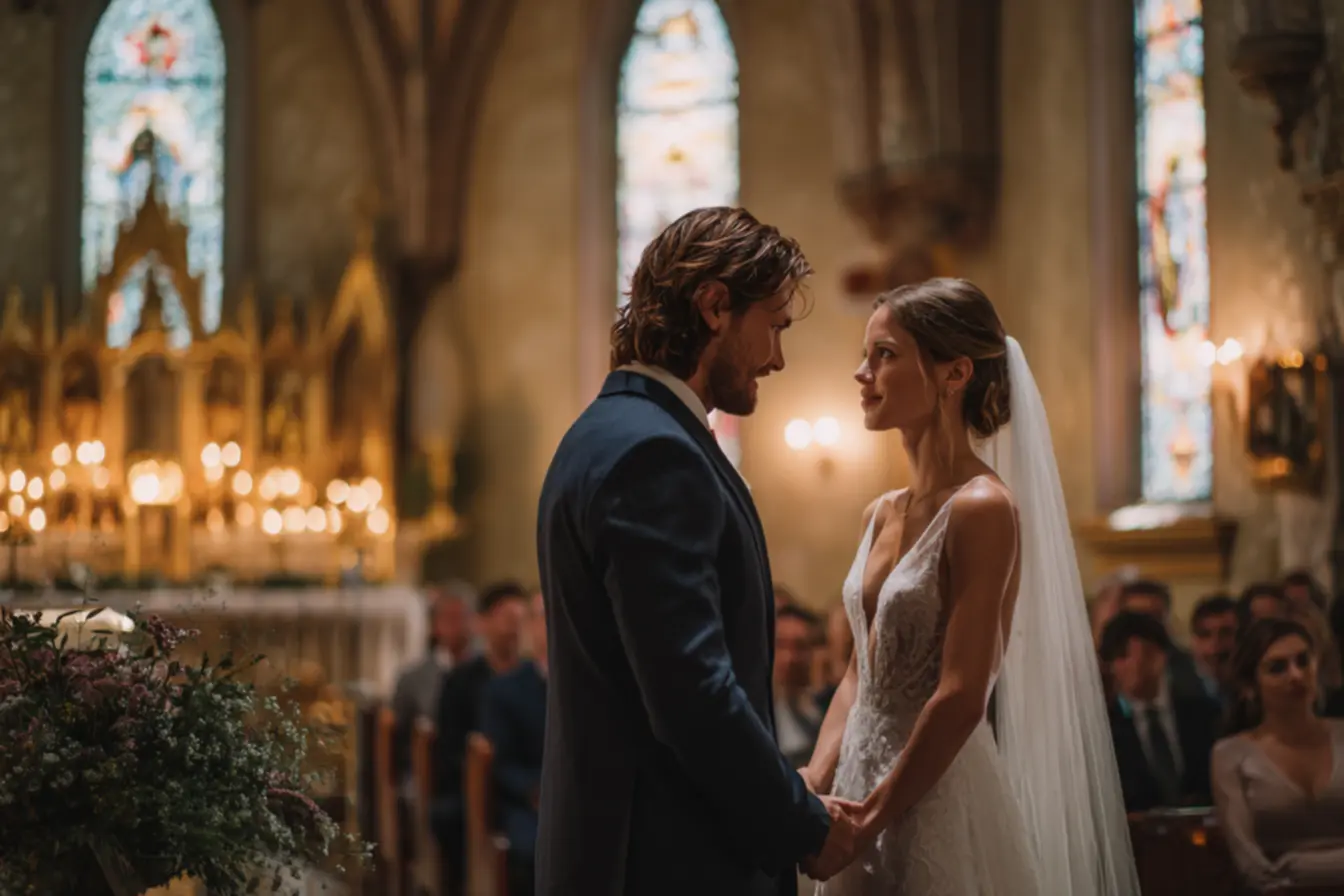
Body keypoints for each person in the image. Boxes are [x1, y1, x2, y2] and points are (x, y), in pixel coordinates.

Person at [535, 207, 860, 895]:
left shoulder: (606, 431)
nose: (776, 358)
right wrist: (801, 823)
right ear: (715, 307)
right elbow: (692, 694)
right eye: (773, 325)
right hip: (669, 861)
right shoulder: (655, 454)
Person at [804, 278, 1138, 894]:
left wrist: (876, 812)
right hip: (856, 780)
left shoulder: (982, 508)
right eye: (865, 354)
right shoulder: (879, 512)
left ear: (954, 373)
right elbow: (859, 673)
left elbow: (962, 692)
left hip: (932, 791)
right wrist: (817, 778)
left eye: (884, 354)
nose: (861, 373)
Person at [1211, 618, 1344, 892]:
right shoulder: (1231, 755)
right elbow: (1251, 867)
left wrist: (1301, 866)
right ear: (1251, 686)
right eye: (1277, 668)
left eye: (1303, 661)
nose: (1295, 675)